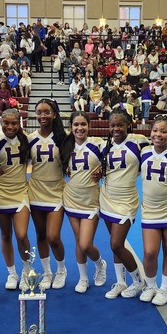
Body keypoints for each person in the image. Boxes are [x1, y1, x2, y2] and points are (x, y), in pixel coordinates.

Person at [99, 109, 149, 299]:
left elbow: (156, 157)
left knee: (116, 244)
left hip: (126, 200)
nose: (116, 128)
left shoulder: (139, 141)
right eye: (112, 125)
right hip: (107, 198)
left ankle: (138, 281)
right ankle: (120, 282)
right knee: (114, 244)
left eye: (120, 124)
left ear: (128, 124)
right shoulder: (107, 146)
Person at [136, 115, 167, 306]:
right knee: (149, 252)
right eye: (155, 130)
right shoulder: (144, 152)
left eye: (163, 131)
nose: (158, 134)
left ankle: (164, 289)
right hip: (150, 211)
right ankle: (150, 285)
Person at [59, 112, 108, 293]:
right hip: (71, 199)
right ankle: (83, 278)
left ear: (89, 125)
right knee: (79, 241)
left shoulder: (98, 144)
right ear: (71, 127)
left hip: (91, 201)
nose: (79, 128)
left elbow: (114, 159)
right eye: (76, 125)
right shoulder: (66, 146)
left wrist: (103, 168)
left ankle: (100, 264)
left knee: (86, 243)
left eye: (83, 124)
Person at [29, 99, 68, 290]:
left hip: (56, 193)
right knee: (41, 235)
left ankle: (61, 269)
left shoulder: (64, 138)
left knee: (53, 236)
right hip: (35, 192)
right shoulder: (30, 138)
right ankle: (47, 272)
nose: (42, 116)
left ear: (54, 114)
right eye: (39, 112)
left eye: (47, 112)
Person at [0, 109, 33, 291]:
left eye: (14, 123)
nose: (10, 126)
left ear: (19, 123)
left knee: (22, 234)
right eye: (6, 123)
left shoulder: (27, 141)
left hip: (20, 193)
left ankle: (27, 270)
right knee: (5, 235)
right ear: (0, 123)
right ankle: (12, 273)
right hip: (1, 193)